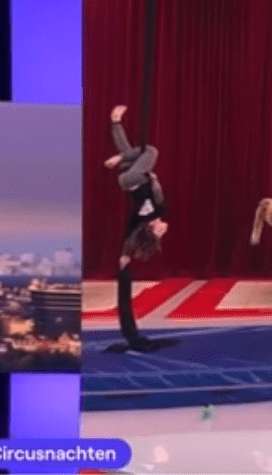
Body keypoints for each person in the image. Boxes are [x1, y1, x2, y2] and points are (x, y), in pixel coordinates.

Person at [104, 105, 168, 351]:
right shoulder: (159, 210)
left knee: (150, 150)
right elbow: (157, 191)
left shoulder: (141, 220)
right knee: (132, 151)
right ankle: (115, 122)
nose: (164, 230)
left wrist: (125, 256)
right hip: (134, 176)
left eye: (160, 233)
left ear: (151, 231)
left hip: (130, 180)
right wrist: (155, 180)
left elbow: (130, 238)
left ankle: (120, 156)